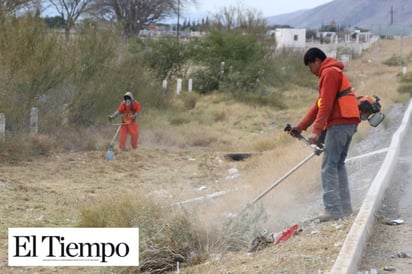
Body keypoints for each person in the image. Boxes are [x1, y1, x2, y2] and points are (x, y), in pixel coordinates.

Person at [287, 47, 360, 222]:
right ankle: (345, 208)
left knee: (329, 166)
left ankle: (333, 211)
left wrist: (316, 131)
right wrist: (301, 127)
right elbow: (318, 105)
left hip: (339, 124)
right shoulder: (333, 72)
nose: (310, 71)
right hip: (348, 123)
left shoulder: (329, 73)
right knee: (338, 165)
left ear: (316, 61)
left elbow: (326, 106)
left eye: (309, 66)